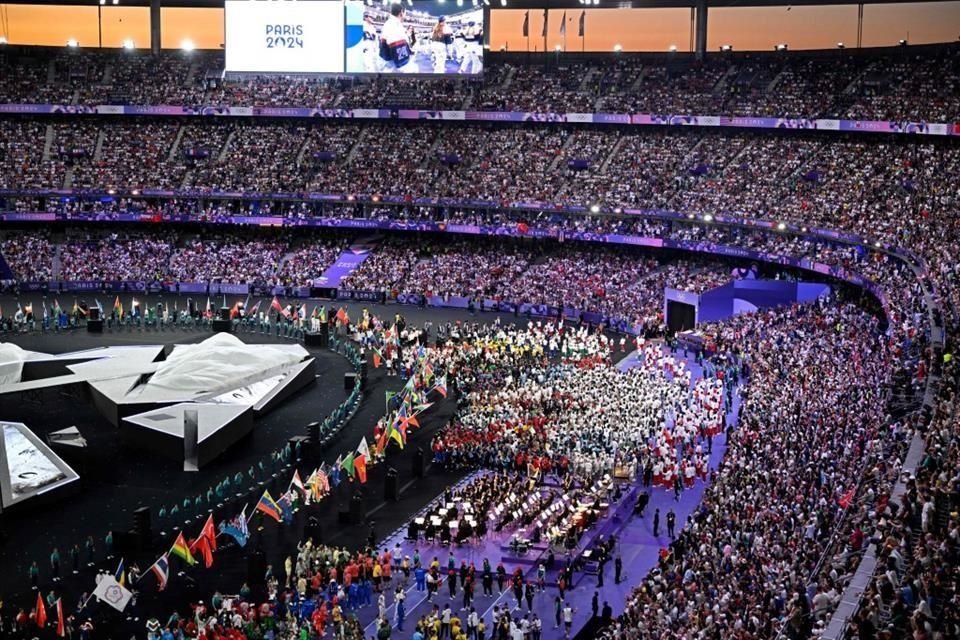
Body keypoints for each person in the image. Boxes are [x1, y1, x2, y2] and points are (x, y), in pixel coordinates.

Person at [378, 3, 415, 74]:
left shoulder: (390, 23)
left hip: (390, 66)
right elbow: (402, 61)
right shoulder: (394, 26)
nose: (405, 16)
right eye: (405, 13)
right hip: (395, 69)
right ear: (401, 12)